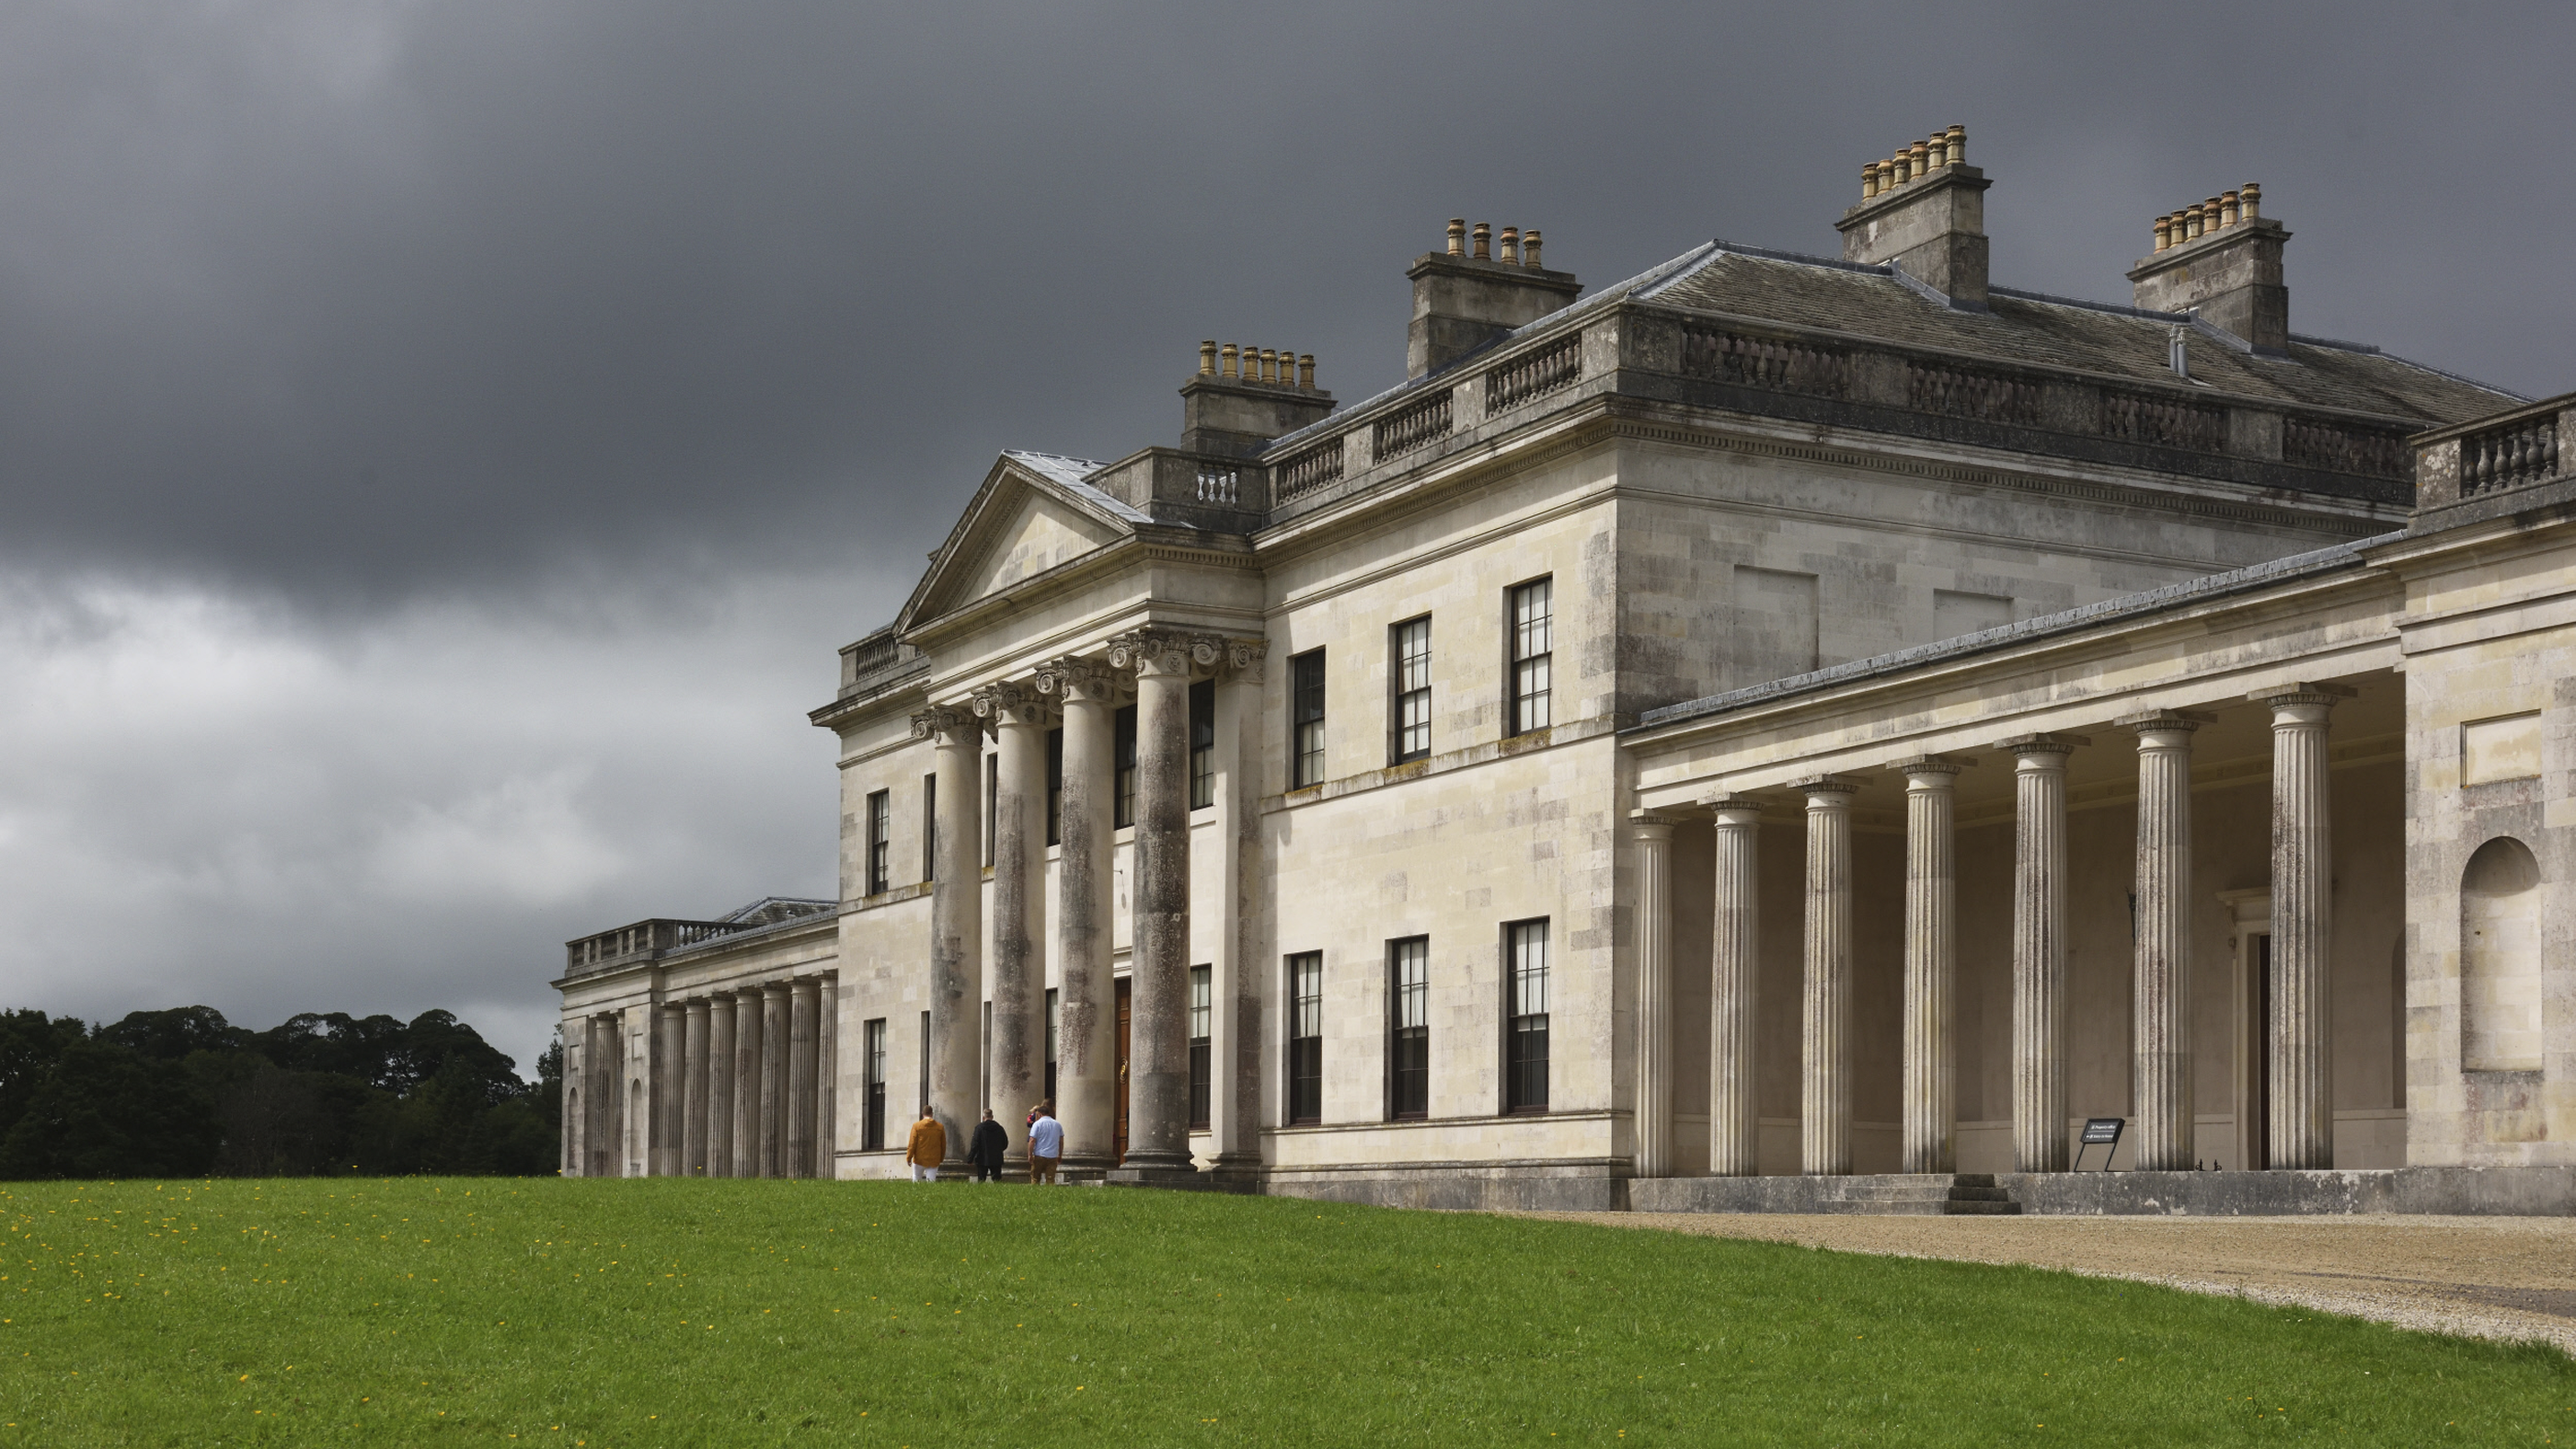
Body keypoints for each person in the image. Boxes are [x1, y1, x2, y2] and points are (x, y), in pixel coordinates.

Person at [903, 1106, 946, 1183]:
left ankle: (916, 1195)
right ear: (932, 1114)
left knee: (916, 1178)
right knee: (931, 1181)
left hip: (919, 1158)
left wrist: (909, 1157)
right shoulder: (940, 1127)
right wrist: (941, 1158)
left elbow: (912, 1143)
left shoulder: (917, 1126)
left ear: (922, 1114)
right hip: (934, 1158)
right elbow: (943, 1145)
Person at [966, 1108, 1008, 1183]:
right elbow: (1005, 1143)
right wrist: (998, 1150)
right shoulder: (999, 1128)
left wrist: (970, 1158)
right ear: (992, 1117)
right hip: (996, 1158)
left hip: (982, 1157)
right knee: (997, 1180)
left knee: (981, 1180)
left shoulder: (979, 1128)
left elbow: (975, 1144)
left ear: (983, 1117)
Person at [1027, 1101, 1063, 1185]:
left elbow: (1032, 1140)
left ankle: (1034, 1196)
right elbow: (1061, 1140)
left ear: (1039, 1114)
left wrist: (1029, 1154)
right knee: (1050, 1180)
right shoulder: (1057, 1124)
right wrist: (1060, 1154)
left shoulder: (1037, 1124)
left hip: (1039, 1154)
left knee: (1035, 1178)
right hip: (1053, 1155)